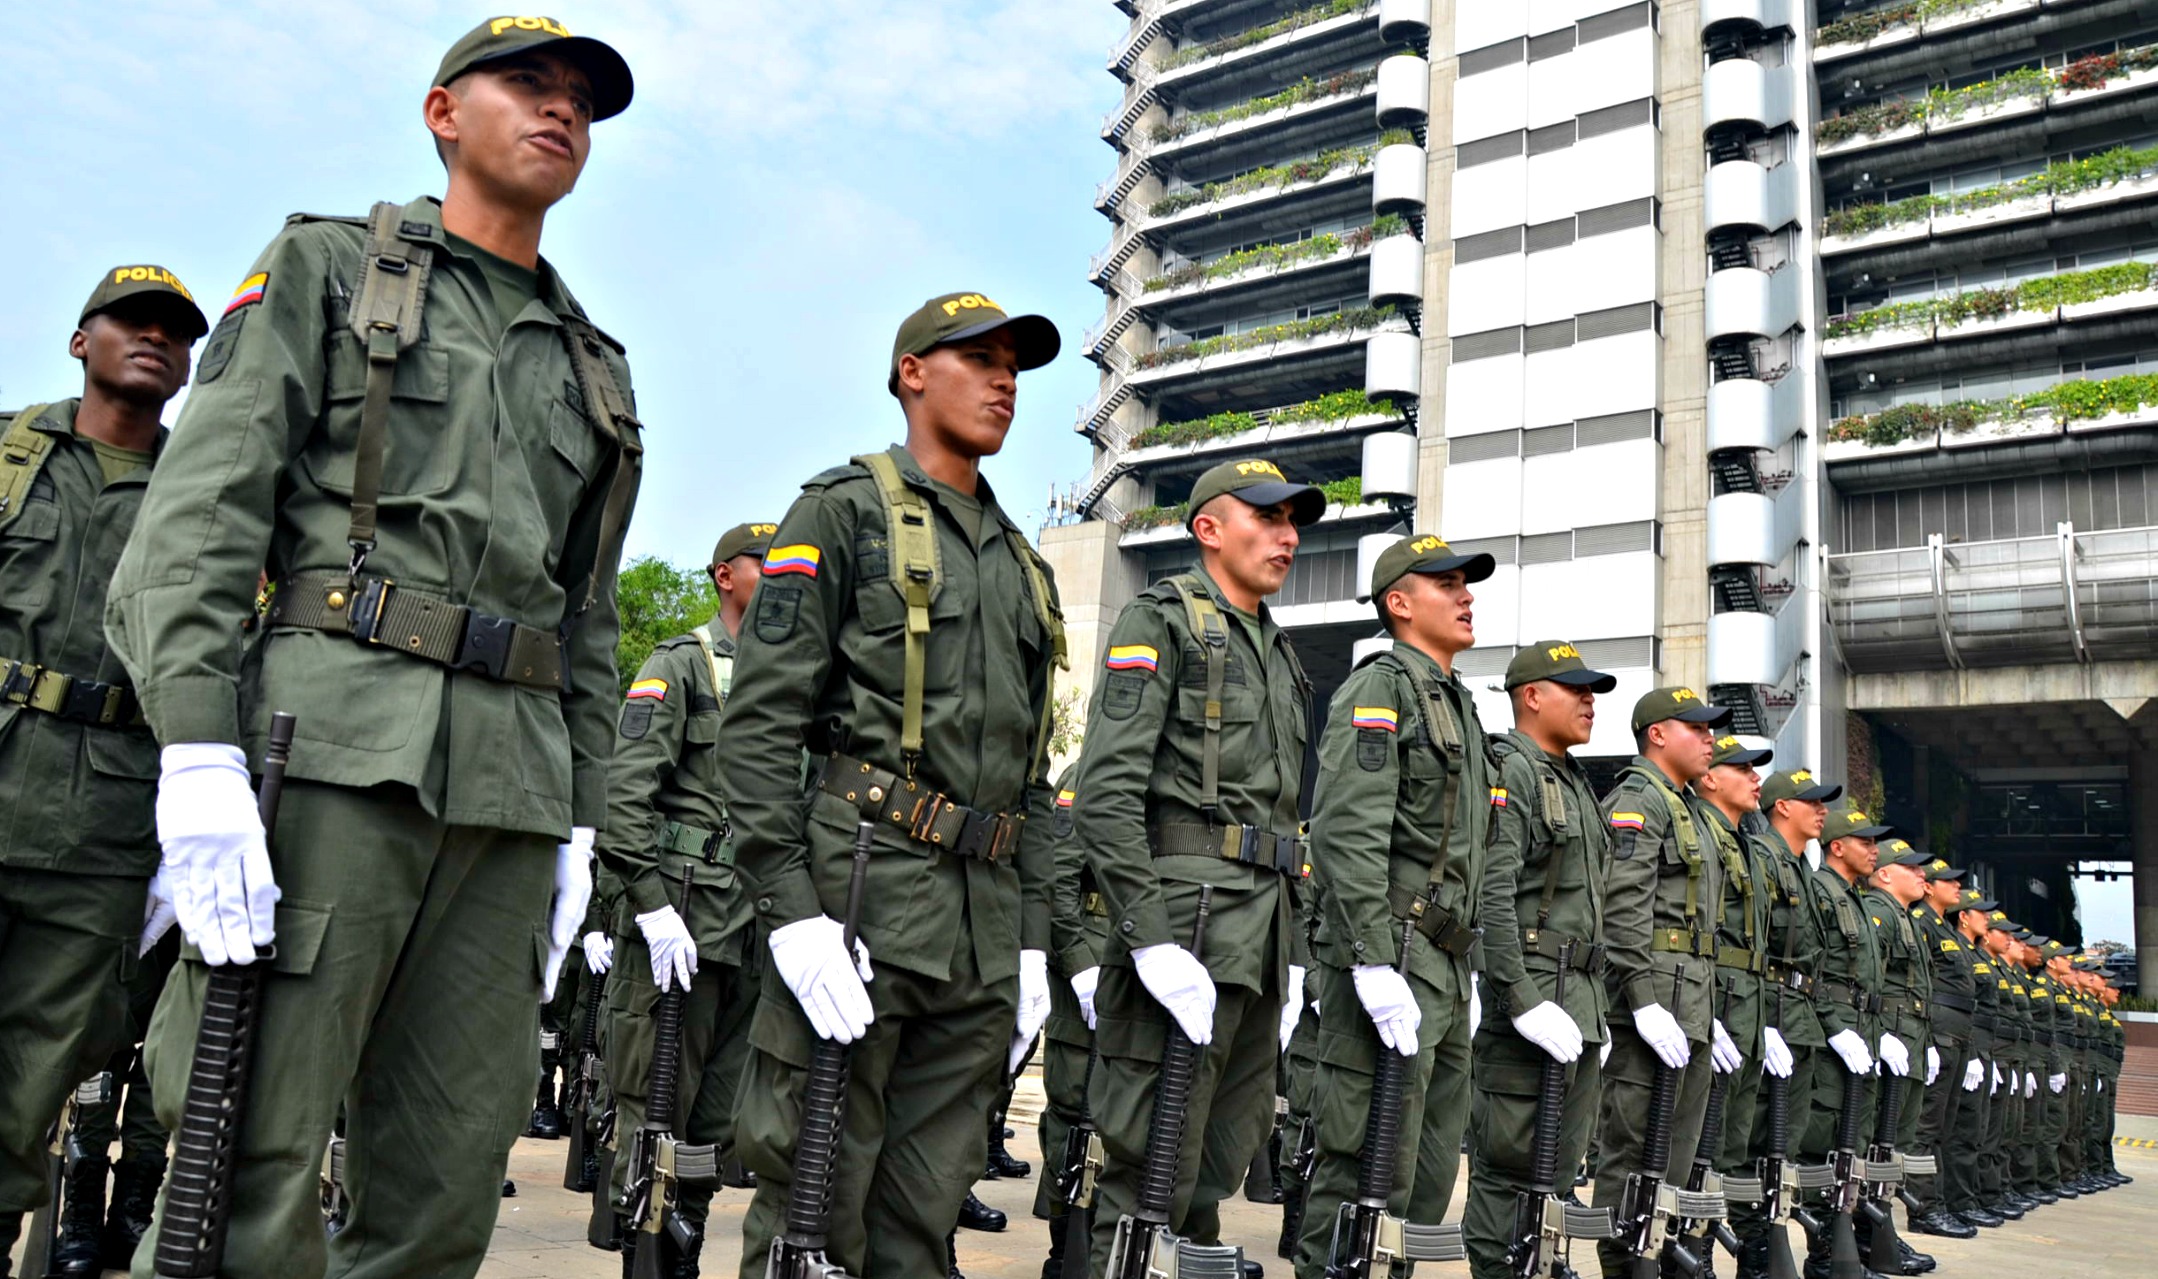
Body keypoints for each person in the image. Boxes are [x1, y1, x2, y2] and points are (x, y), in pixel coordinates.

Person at [104, 19, 640, 1279]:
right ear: (443, 113)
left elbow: (589, 616)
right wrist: (196, 750)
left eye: (579, 100)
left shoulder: (594, 365)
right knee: (247, 1163)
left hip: (507, 795)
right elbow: (198, 517)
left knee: (449, 1181)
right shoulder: (329, 269)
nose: (559, 111)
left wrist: (581, 817)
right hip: (332, 753)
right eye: (526, 84)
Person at [722, 293, 1065, 1279]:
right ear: (912, 371)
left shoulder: (1025, 566)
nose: (1004, 380)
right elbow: (757, 732)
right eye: (979, 358)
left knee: (921, 1226)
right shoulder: (840, 513)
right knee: (812, 1208)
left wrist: (1032, 940)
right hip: (860, 895)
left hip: (980, 925)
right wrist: (790, 910)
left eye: (1014, 365)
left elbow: (1032, 781)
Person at [0, 264, 206, 1270]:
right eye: (132, 321)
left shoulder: (203, 500)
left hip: (105, 834)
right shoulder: (7, 453)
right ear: (81, 340)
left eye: (174, 331)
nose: (154, 339)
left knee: (31, 1088)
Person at [1073, 457, 1323, 1279]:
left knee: (1216, 1166)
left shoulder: (1280, 651)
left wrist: (1294, 962)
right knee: (1147, 1172)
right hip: (1188, 926)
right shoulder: (1162, 620)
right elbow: (1107, 794)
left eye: (1294, 522)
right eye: (1268, 518)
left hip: (1261, 938)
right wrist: (1147, 938)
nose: (1287, 536)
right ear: (1209, 529)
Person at [1294, 535, 1498, 1279]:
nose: (1466, 593)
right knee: (1361, 1168)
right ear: (1400, 603)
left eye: (1466, 583)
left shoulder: (1461, 704)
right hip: (1396, 953)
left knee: (1426, 1175)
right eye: (1447, 583)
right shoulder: (1379, 687)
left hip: (1445, 966)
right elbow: (1348, 832)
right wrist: (1371, 959)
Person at [593, 520, 775, 1278]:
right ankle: (646, 1247)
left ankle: (684, 1240)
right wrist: (648, 903)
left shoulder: (787, 687)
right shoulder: (681, 664)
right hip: (683, 922)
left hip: (751, 932)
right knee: (651, 1101)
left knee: (716, 1116)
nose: (778, 576)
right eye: (762, 563)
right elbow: (626, 793)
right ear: (723, 576)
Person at [1461, 642, 1616, 1279]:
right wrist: (1520, 999)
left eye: (1592, 692)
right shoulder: (1514, 769)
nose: (1589, 701)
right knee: (1509, 1164)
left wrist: (1596, 1014)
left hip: (1578, 1007)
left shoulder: (1574, 779)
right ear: (1531, 696)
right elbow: (1492, 893)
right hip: (1532, 1000)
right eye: (1574, 689)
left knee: (1555, 1169)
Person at [1591, 687, 1729, 1279]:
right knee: (1631, 1154)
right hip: (1652, 1008)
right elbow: (1623, 912)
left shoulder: (1687, 808)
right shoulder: (1637, 801)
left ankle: (1653, 1260)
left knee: (1672, 1157)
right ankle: (1625, 1267)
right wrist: (1643, 1003)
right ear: (1656, 734)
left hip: (1690, 1004)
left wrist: (1709, 1012)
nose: (1710, 739)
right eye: (1695, 728)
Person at [1732, 769, 1839, 1279]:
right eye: (1809, 801)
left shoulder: (1798, 869)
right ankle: (1752, 1261)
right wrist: (1761, 1021)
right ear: (1781, 808)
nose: (1821, 810)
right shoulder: (1763, 859)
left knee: (1783, 1148)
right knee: (1755, 1151)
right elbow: (1754, 945)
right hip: (1771, 1017)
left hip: (1799, 1022)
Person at [1689, 735, 1778, 1277]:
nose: (1754, 777)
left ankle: (1737, 1249)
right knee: (1701, 1141)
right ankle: (1693, 1251)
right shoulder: (1698, 829)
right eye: (1741, 768)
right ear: (1710, 778)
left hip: (1747, 1003)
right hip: (1713, 997)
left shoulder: (1744, 840)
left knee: (1733, 1143)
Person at [1797, 804, 1887, 1279]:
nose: (1875, 850)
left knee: (1854, 1143)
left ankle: (1842, 1251)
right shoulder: (1821, 891)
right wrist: (1834, 1028)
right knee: (1825, 1145)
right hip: (1834, 1035)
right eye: (1865, 841)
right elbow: (1811, 973)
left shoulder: (1853, 898)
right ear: (1837, 846)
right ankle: (1822, 1254)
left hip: (1862, 1032)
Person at [1861, 841, 1934, 1277]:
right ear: (1886, 874)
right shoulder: (1881, 911)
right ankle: (1869, 1234)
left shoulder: (1905, 917)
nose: (1921, 875)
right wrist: (1883, 1035)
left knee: (1895, 1145)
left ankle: (1880, 1231)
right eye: (1912, 868)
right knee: (1878, 1143)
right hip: (1891, 1037)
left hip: (1910, 1038)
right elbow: (1871, 979)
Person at [1904, 860, 1981, 1238]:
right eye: (1948, 881)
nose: (1957, 887)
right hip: (1939, 1034)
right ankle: (1923, 1208)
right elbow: (1921, 982)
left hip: (1958, 1035)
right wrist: (1928, 1038)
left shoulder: (1944, 928)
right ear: (1930, 888)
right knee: (1926, 1127)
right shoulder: (1921, 923)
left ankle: (1940, 1202)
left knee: (1944, 1128)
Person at [1938, 888, 2004, 1230]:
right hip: (1958, 1041)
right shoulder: (1952, 943)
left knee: (1973, 1131)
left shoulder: (1970, 952)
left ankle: (1966, 1198)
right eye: (1982, 913)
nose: (1989, 920)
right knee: (1954, 1133)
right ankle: (1949, 1203)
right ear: (1964, 916)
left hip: (1972, 1044)